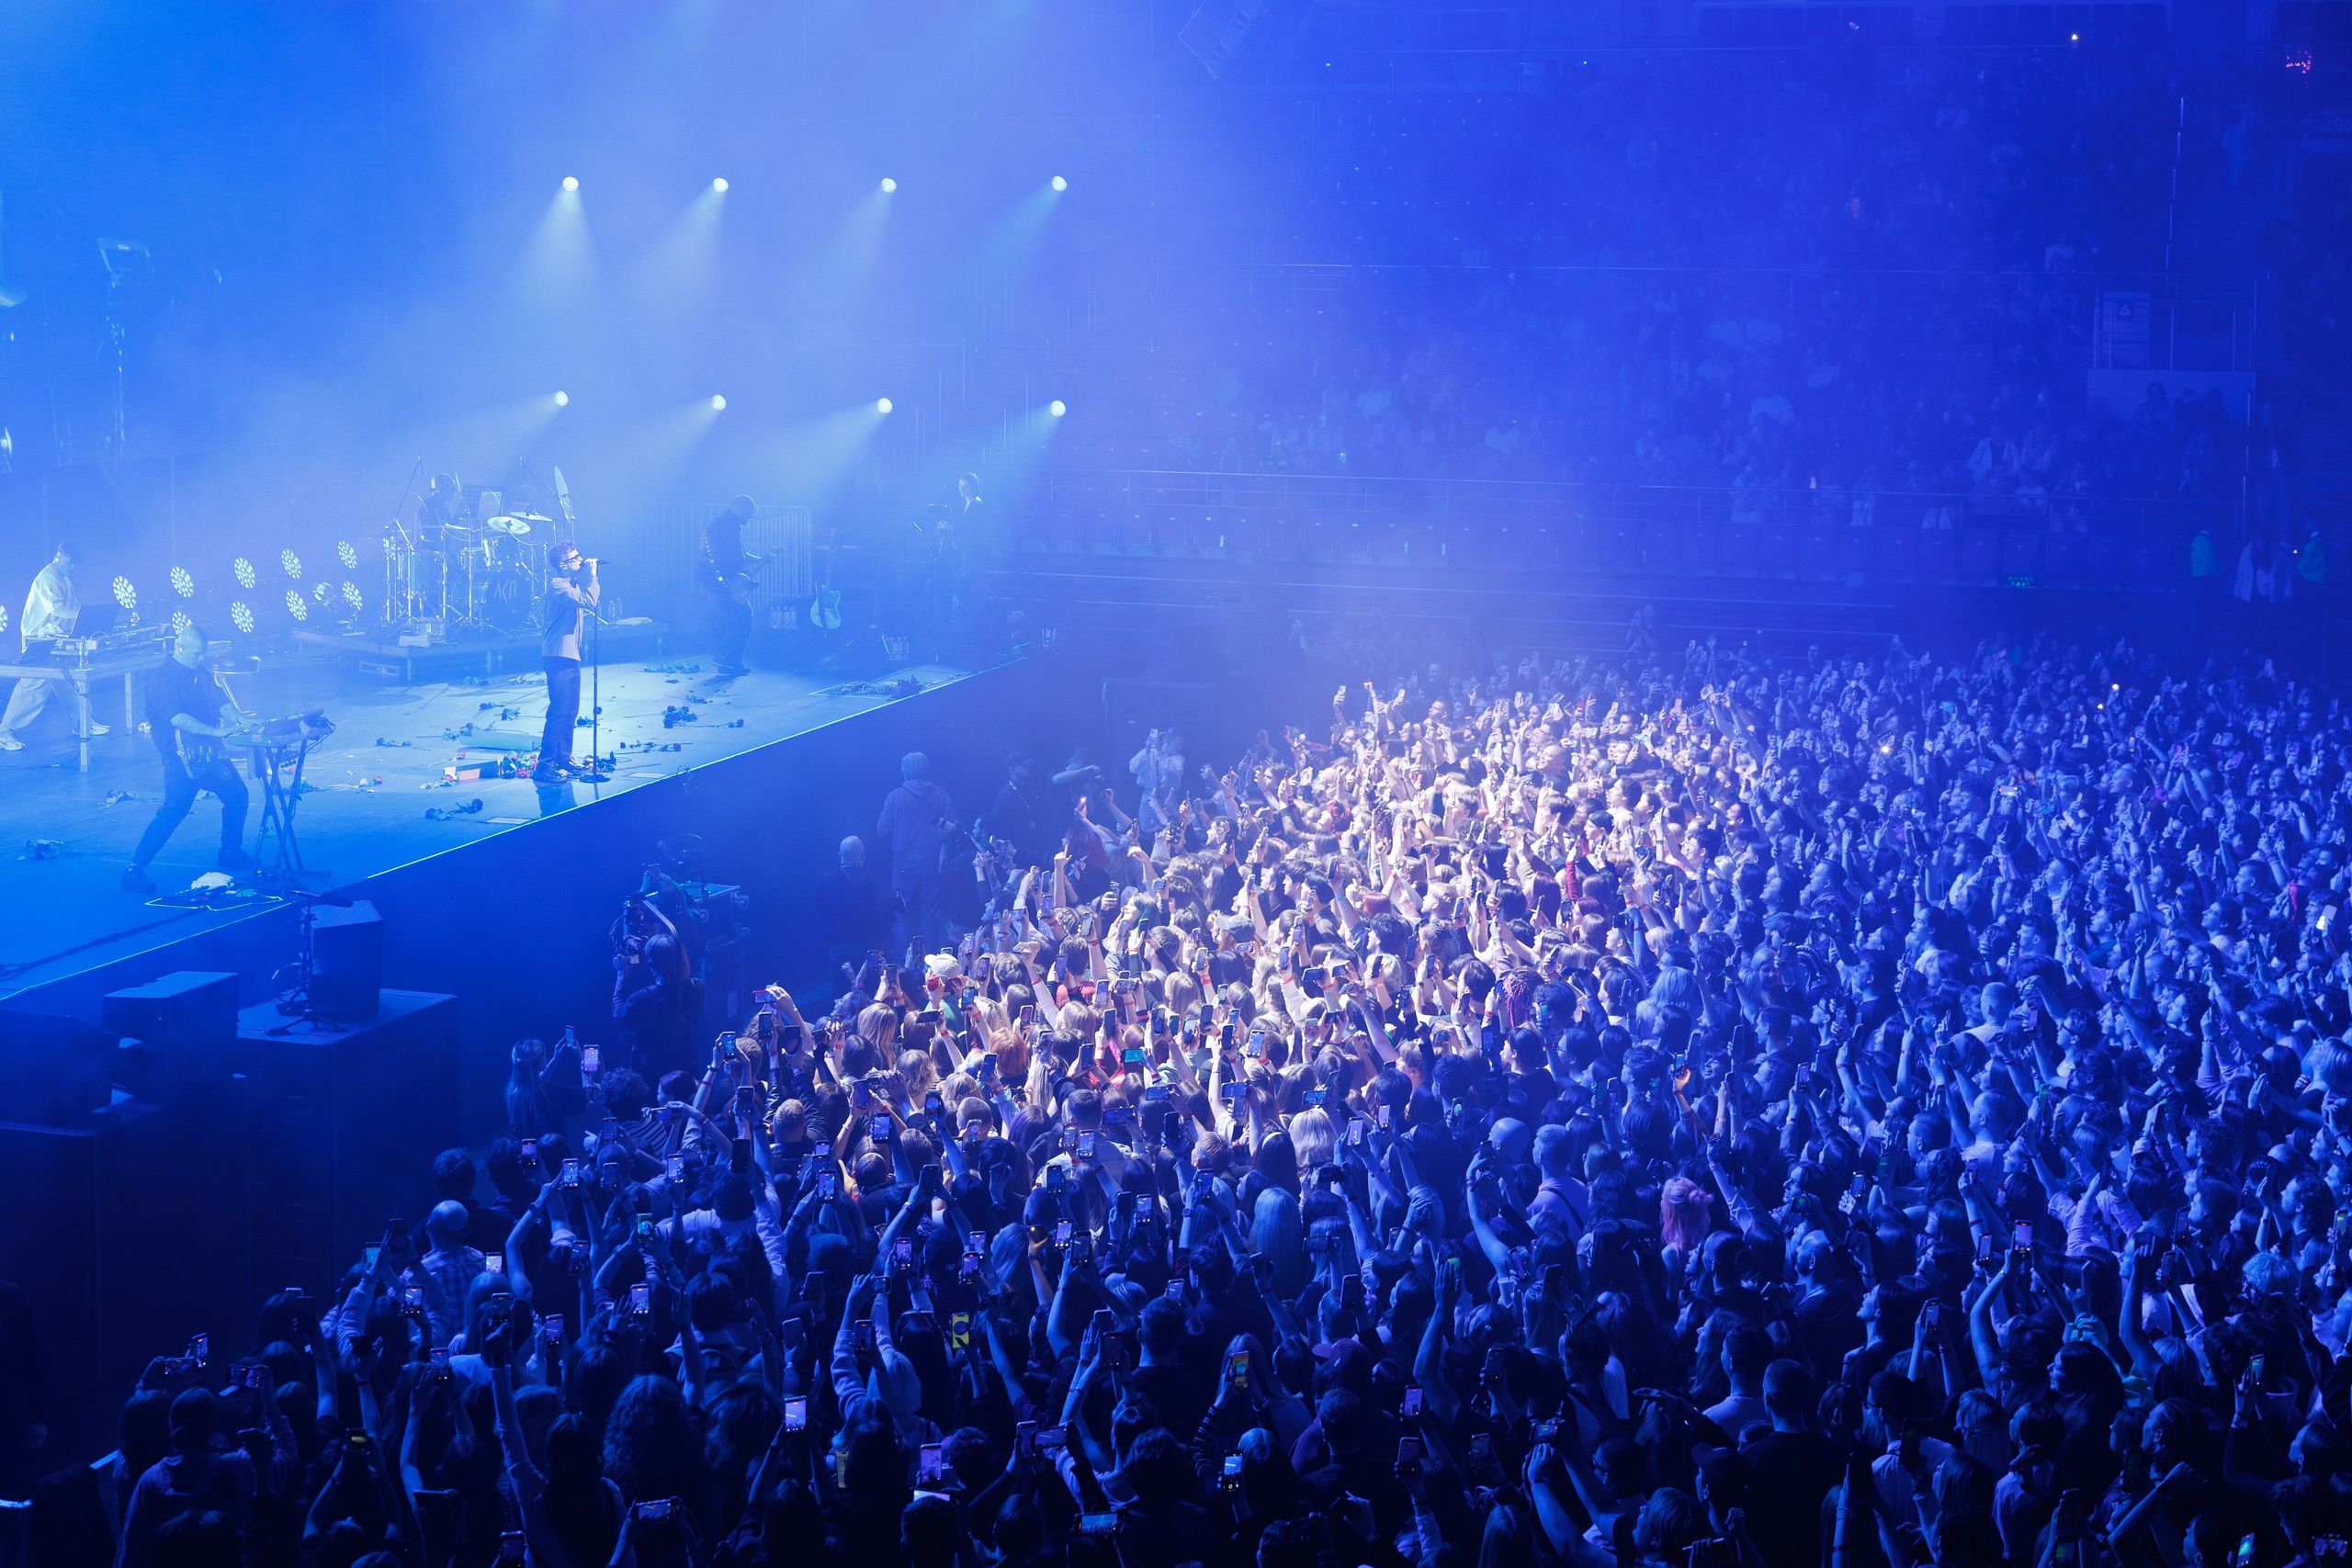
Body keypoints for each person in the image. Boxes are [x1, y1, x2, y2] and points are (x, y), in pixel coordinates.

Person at [122, 622, 254, 895]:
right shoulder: (162, 680)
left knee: (237, 795)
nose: (201, 658)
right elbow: (179, 719)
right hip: (180, 757)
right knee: (173, 810)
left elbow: (218, 699)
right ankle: (135, 869)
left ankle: (230, 850)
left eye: (203, 653)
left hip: (208, 751)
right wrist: (218, 731)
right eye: (196, 653)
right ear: (179, 648)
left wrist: (239, 717)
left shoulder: (199, 671)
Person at [0, 539, 107, 751]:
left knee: (69, 681)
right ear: (61, 555)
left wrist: (85, 618)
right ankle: (4, 732)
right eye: (71, 562)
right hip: (39, 642)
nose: (73, 567)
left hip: (56, 641)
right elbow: (58, 611)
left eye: (76, 563)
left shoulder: (64, 579)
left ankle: (83, 724)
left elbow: (74, 608)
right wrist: (82, 618)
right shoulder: (47, 578)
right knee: (33, 688)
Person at [876, 750, 955, 960]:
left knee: (903, 916)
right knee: (931, 914)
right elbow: (952, 828)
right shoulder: (940, 794)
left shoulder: (895, 796)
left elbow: (882, 831)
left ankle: (904, 966)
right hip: (932, 863)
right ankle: (932, 965)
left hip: (903, 865)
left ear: (904, 772)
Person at [534, 540, 598, 784]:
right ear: (563, 565)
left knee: (570, 711)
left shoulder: (570, 583)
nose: (581, 561)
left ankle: (563, 759)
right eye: (575, 558)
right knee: (558, 712)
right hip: (557, 655)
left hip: (571, 655)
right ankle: (544, 767)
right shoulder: (558, 586)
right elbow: (590, 601)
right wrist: (593, 576)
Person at [814, 835, 892, 991]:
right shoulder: (873, 877)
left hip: (839, 948)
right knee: (872, 996)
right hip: (871, 948)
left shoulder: (826, 880)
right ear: (863, 855)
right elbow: (886, 906)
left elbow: (821, 915)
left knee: (841, 1000)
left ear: (840, 855)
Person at [695, 494, 760, 677]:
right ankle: (727, 660)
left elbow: (739, 554)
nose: (751, 516)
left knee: (730, 615)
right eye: (750, 512)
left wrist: (759, 560)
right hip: (716, 578)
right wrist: (736, 577)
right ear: (738, 508)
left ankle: (728, 661)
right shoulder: (726, 526)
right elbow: (724, 558)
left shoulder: (724, 523)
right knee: (740, 614)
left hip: (713, 577)